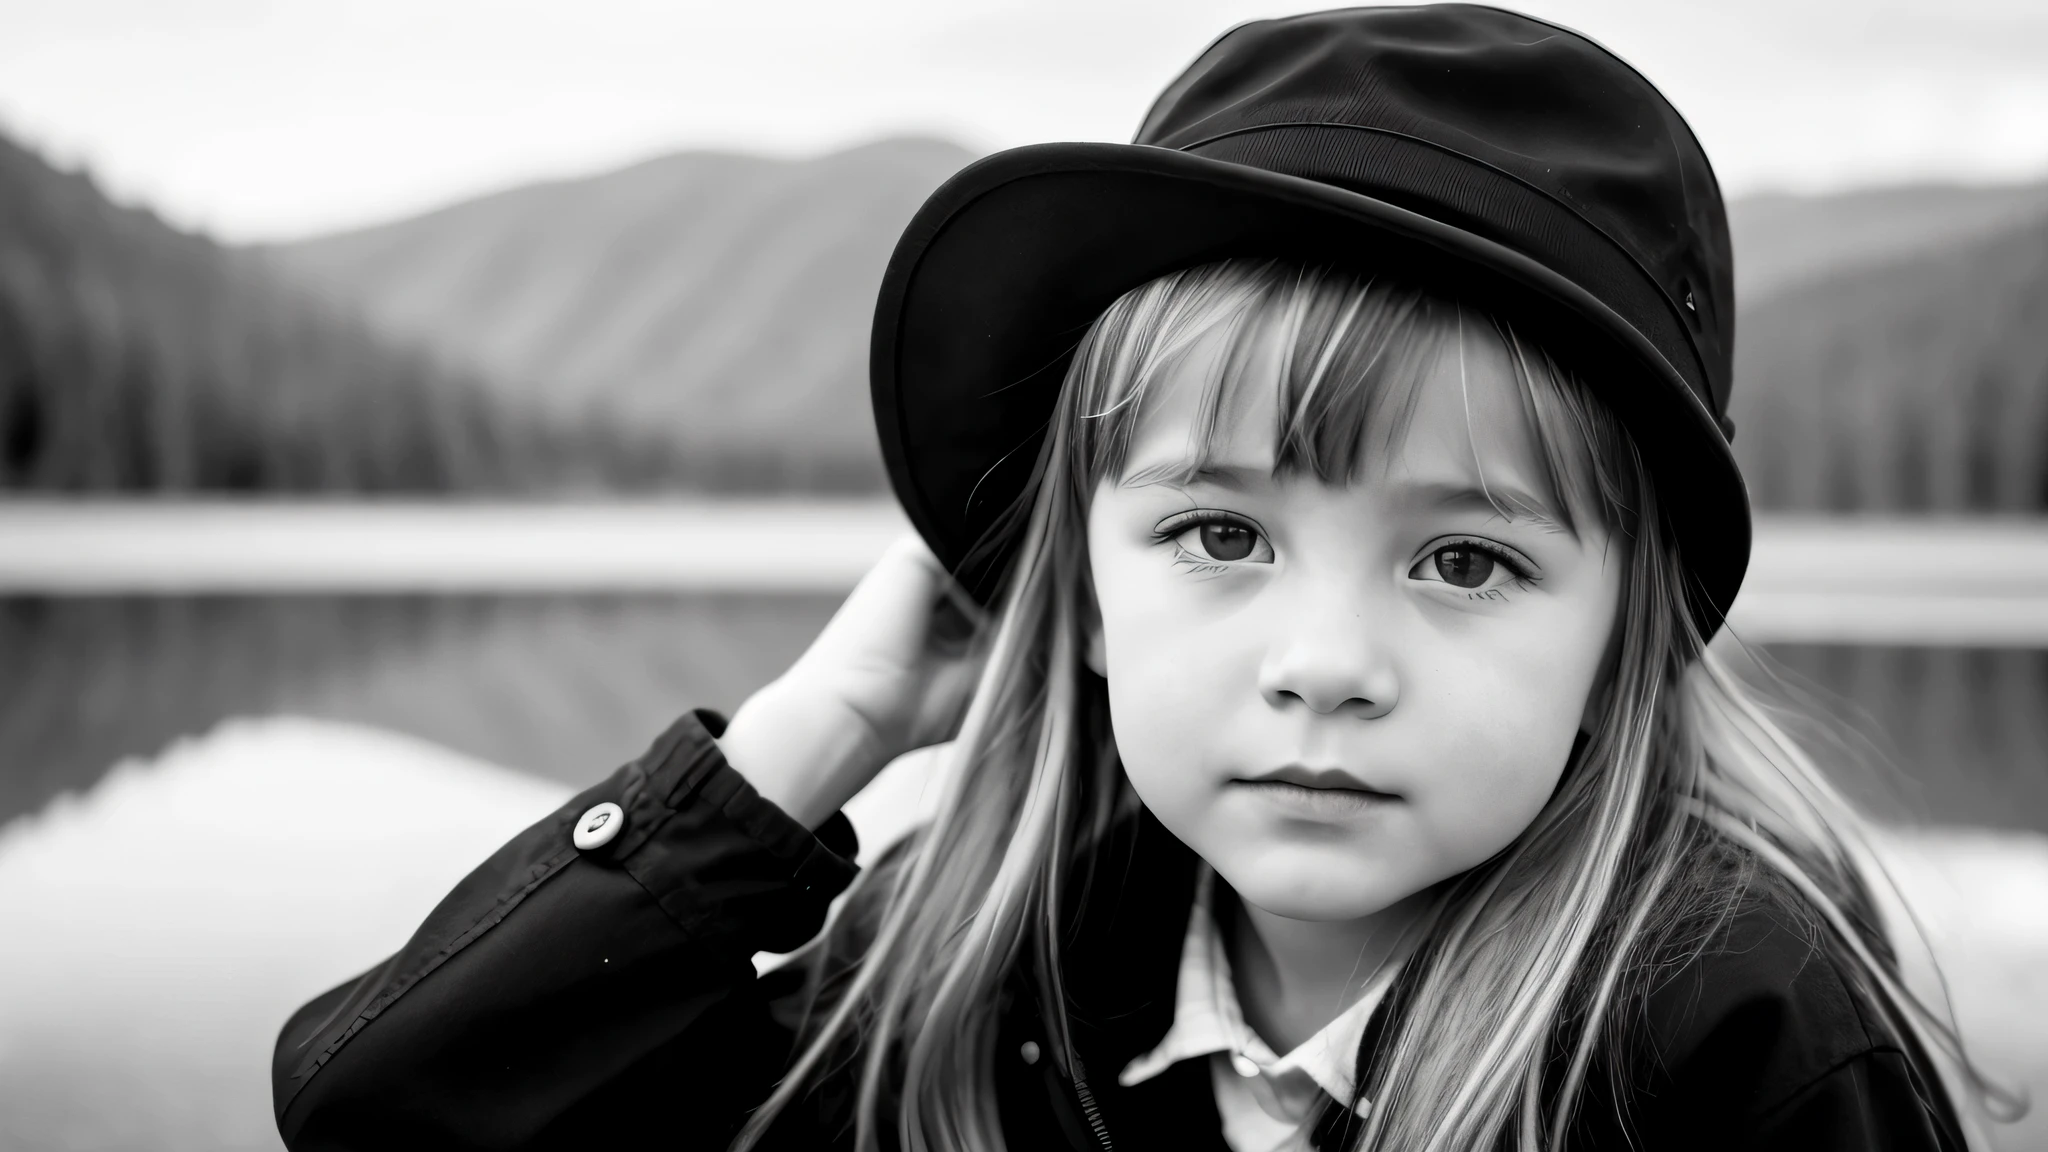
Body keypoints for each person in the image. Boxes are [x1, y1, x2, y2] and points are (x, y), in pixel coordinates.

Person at [272, 7, 2021, 1150]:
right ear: (1086, 586)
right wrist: (815, 735)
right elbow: (384, 1109)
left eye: (1468, 559)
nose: (1325, 663)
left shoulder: (1741, 1043)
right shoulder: (992, 963)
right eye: (1219, 536)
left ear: (1623, 640)